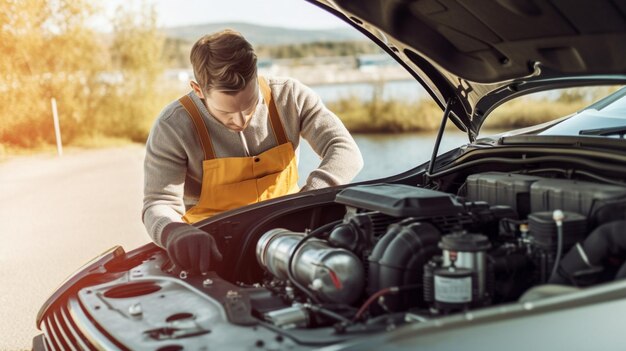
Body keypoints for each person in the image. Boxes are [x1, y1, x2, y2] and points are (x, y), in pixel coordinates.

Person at [142, 30, 363, 274]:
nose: (241, 120)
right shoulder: (173, 125)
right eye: (226, 113)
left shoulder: (290, 97)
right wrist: (173, 230)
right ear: (198, 90)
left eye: (250, 106)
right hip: (211, 254)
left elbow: (345, 150)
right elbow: (158, 203)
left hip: (293, 237)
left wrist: (309, 199)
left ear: (257, 77)